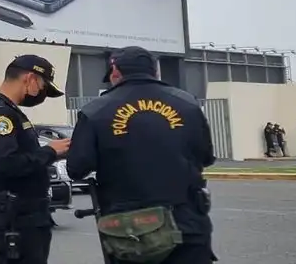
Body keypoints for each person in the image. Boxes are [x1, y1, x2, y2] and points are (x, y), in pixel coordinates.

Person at [67, 46, 217, 264]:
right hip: (186, 222)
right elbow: (206, 156)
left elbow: (77, 168)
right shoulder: (187, 104)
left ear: (115, 71)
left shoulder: (95, 111)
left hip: (131, 230)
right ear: (155, 71)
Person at [0, 54, 71, 264]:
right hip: (15, 216)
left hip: (21, 214)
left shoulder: (8, 111)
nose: (42, 93)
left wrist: (52, 152)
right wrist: (50, 152)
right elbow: (6, 164)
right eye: (43, 86)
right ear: (30, 79)